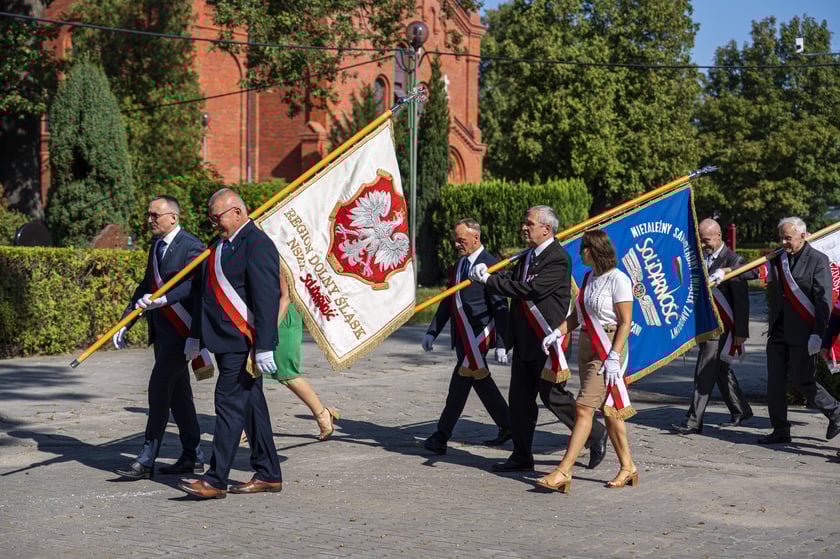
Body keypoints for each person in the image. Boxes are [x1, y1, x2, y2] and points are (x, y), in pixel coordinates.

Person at [470, 206, 608, 472]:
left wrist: (489, 281)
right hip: (524, 340)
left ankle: (595, 434)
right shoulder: (526, 257)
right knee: (520, 401)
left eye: (529, 223)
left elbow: (531, 290)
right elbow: (510, 281)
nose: (524, 227)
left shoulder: (558, 258)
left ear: (547, 229)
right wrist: (488, 275)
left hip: (547, 340)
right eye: (525, 223)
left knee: (553, 397)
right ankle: (522, 455)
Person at [178, 188, 282, 499]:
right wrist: (195, 336)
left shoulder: (258, 244)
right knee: (251, 408)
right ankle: (269, 473)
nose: (214, 223)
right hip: (221, 341)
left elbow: (266, 298)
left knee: (226, 404)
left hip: (242, 343)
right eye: (211, 219)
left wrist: (264, 345)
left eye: (217, 217)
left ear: (237, 212)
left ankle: (215, 480)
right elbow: (204, 296)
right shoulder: (218, 245)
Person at [112, 195, 206, 480]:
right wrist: (126, 321)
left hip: (183, 333)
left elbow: (195, 286)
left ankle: (146, 459)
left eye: (155, 215)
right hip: (162, 333)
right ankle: (193, 455)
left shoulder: (192, 247)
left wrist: (194, 333)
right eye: (149, 214)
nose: (150, 219)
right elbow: (146, 286)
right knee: (179, 397)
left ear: (173, 218)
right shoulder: (156, 246)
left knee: (158, 389)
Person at [535, 229, 637, 492]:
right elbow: (577, 315)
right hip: (588, 346)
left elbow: (625, 322)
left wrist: (614, 356)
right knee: (611, 412)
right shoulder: (589, 276)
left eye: (583, 249)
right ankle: (628, 467)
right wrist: (557, 333)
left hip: (609, 349)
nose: (580, 253)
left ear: (594, 250)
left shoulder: (619, 280)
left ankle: (563, 471)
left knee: (583, 408)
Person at [420, 218, 511, 455]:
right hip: (462, 337)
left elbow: (500, 305)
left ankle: (441, 436)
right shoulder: (459, 265)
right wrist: (432, 331)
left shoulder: (491, 264)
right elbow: (449, 301)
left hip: (479, 337)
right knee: (480, 382)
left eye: (461, 240)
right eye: (456, 240)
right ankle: (509, 424)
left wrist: (502, 343)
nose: (457, 245)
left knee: (458, 386)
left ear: (475, 238)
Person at [760, 217, 840, 445]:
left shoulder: (818, 260)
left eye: (788, 238)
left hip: (804, 332)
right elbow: (755, 273)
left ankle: (835, 411)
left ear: (803, 236)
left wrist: (818, 333)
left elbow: (824, 300)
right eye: (781, 237)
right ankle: (780, 429)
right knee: (774, 382)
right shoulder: (778, 258)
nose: (784, 242)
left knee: (802, 379)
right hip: (779, 330)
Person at [671, 218, 753, 435]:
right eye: (700, 240)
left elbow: (741, 301)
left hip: (723, 328)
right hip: (706, 325)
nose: (703, 244)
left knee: (704, 372)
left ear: (719, 236)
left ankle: (693, 421)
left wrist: (741, 333)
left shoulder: (734, 260)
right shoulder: (699, 257)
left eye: (706, 240)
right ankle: (741, 410)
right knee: (719, 370)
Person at [265, 274, 339, 441]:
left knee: (286, 374)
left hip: (282, 317)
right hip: (264, 314)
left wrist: (270, 329)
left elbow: (287, 296)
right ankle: (243, 427)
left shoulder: (280, 253)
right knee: (248, 374)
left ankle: (322, 414)